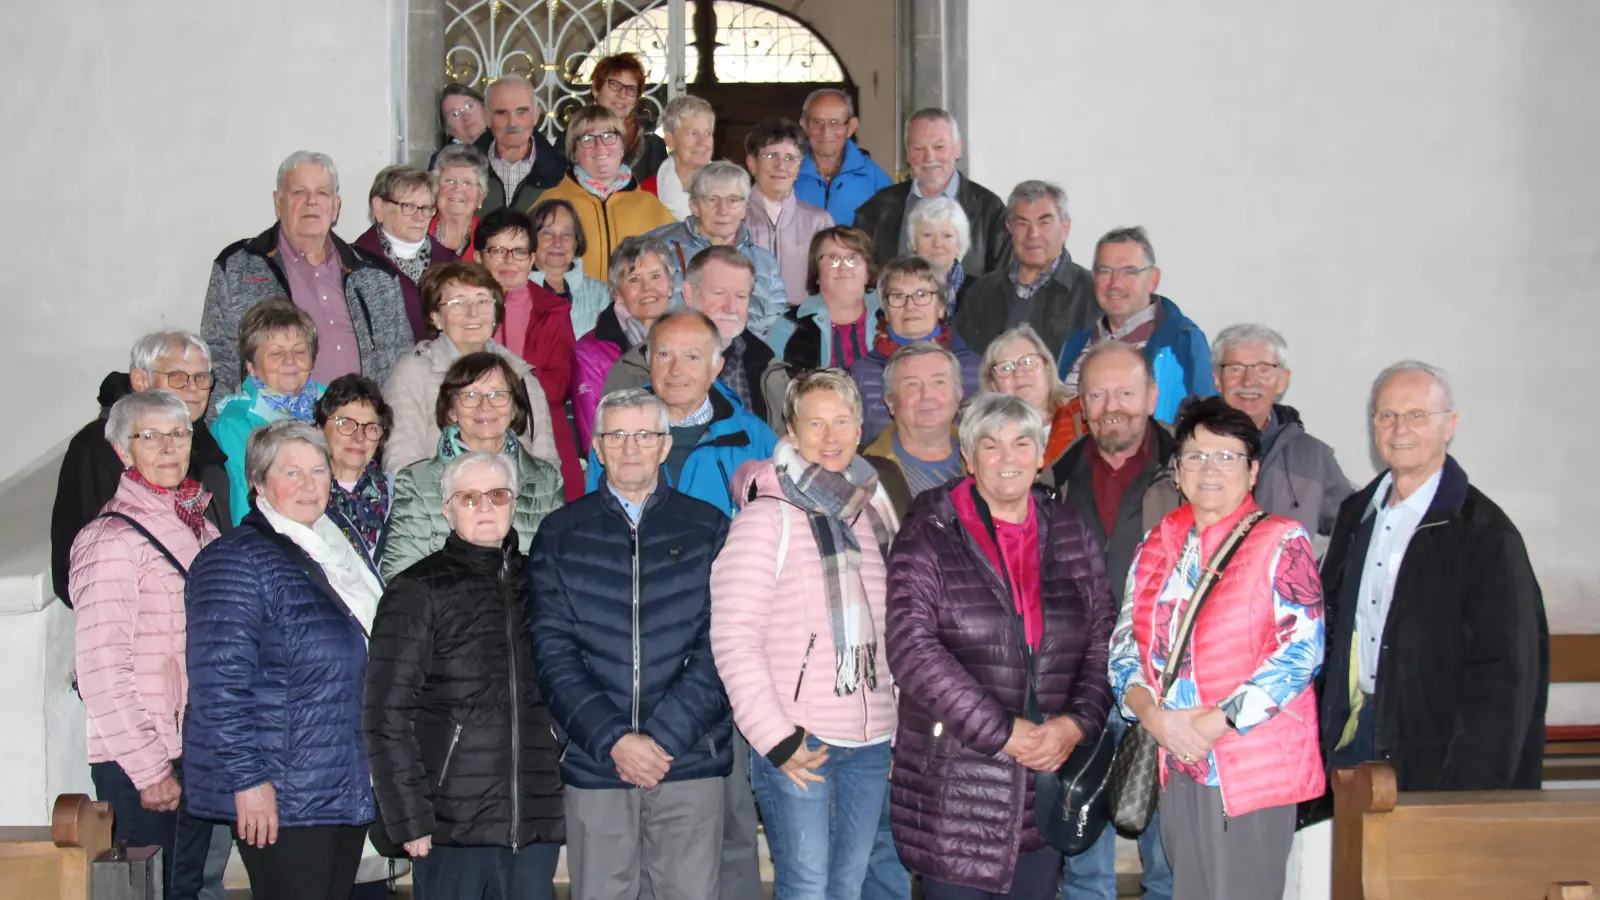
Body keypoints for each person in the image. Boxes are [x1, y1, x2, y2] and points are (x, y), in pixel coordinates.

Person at [887, 392, 1116, 900]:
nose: (1007, 458)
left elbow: (1104, 637)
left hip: (1048, 772)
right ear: (968, 458)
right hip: (957, 782)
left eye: (1021, 444)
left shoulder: (1070, 530)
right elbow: (912, 649)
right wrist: (1001, 732)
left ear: (1041, 455)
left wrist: (1077, 724)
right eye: (990, 446)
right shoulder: (929, 533)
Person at [1110, 396, 1325, 900]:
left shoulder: (1281, 542)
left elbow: (1301, 653)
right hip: (1173, 758)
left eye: (1226, 456)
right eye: (1196, 456)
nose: (1209, 469)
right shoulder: (1156, 545)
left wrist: (1209, 726)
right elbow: (1124, 646)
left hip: (1245, 763)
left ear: (1252, 472)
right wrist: (1155, 718)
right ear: (1178, 472)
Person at [530, 389, 732, 900]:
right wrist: (615, 739)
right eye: (616, 435)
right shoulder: (560, 533)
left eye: (644, 434)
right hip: (597, 759)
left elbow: (725, 643)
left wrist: (663, 739)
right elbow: (553, 651)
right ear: (597, 447)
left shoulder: (708, 527)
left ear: (665, 446)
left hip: (686, 758)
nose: (630, 447)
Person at [710, 370, 899, 900]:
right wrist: (776, 737)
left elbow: (895, 629)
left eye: (842, 421)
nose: (831, 435)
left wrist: (898, 721)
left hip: (871, 739)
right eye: (816, 423)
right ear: (791, 432)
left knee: (848, 886)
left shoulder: (875, 510)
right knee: (807, 888)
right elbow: (733, 637)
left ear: (861, 428)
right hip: (802, 739)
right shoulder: (766, 517)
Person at [1318, 361, 1547, 791]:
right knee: (1358, 861)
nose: (1400, 428)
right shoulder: (1357, 516)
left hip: (1440, 750)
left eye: (1417, 415)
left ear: (1450, 425)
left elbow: (1506, 675)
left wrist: (1470, 784)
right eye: (1387, 415)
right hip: (1358, 736)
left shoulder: (1486, 535)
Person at [185, 419, 382, 900]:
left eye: (318, 471)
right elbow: (218, 687)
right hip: (282, 790)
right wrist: (248, 780)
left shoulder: (337, 546)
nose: (309, 485)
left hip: (337, 775)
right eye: (291, 473)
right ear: (258, 483)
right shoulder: (236, 560)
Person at [364, 451, 565, 899]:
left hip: (532, 818)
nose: (486, 507)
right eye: (469, 498)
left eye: (497, 495)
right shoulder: (417, 590)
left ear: (515, 501)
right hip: (449, 824)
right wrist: (408, 817)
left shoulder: (546, 583)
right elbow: (385, 714)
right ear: (447, 509)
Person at [71, 390, 221, 900]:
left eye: (178, 434)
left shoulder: (198, 522)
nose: (167, 447)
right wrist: (150, 768)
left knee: (186, 886)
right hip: (144, 760)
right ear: (122, 450)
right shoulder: (110, 540)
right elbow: (100, 668)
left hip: (192, 748)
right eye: (149, 436)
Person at [1049, 341, 1179, 900]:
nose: (1112, 406)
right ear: (1081, 404)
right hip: (1081, 688)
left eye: (1126, 392)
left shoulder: (1191, 472)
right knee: (1082, 855)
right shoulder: (1056, 479)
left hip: (1164, 686)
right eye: (1098, 394)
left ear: (1151, 397)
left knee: (1169, 856)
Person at [202, 150, 412, 399]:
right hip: (273, 430)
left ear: (335, 207)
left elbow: (403, 368)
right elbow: (218, 360)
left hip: (361, 430)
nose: (311, 201)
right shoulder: (238, 266)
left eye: (322, 193)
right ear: (278, 202)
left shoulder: (377, 275)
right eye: (299, 192)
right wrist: (230, 430)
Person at [53, 329, 231, 606]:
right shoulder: (97, 447)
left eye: (201, 377)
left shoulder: (205, 445)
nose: (193, 388)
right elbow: (77, 567)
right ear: (140, 380)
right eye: (177, 377)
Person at [380, 261, 565, 488]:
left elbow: (547, 467)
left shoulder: (521, 376)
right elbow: (401, 464)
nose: (473, 313)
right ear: (436, 317)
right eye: (458, 303)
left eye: (482, 301)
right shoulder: (412, 373)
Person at [383, 352, 564, 581]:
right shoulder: (416, 482)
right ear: (451, 410)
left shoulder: (546, 481)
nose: (484, 406)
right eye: (470, 395)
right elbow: (400, 577)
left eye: (497, 395)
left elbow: (558, 572)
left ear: (514, 408)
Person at [585, 310, 778, 518]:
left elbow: (775, 521)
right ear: (649, 362)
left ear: (716, 368)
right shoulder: (618, 430)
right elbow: (595, 518)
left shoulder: (753, 437)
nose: (676, 370)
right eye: (664, 355)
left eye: (692, 357)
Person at [606, 245, 790, 434]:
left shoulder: (771, 370)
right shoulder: (635, 371)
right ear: (688, 293)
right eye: (719, 293)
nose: (731, 308)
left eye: (741, 296)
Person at [476, 210, 584, 496]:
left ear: (533, 258)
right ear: (478, 257)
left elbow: (560, 382)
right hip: (478, 430)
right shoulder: (463, 309)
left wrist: (503, 395)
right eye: (498, 251)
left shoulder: (552, 310)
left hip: (542, 431)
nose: (509, 261)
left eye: (520, 252)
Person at [1057, 226, 1214, 423]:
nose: (1115, 283)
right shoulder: (1075, 343)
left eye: (1129, 272)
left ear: (1153, 279)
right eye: (1105, 271)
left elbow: (1208, 422)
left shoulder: (1183, 342)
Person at [1211, 324, 1352, 538]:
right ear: (1217, 380)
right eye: (1236, 369)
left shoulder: (1314, 457)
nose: (1249, 381)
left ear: (1282, 380)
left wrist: (1310, 568)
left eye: (1263, 370)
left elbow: (1354, 528)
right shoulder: (1185, 446)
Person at [852, 108, 1010, 281]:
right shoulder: (878, 208)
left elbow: (1002, 283)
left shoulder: (989, 209)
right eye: (918, 148)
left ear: (957, 149)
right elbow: (861, 276)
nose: (929, 157)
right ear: (907, 154)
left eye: (939, 147)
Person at [211, 298, 326, 525]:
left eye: (299, 351)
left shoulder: (332, 406)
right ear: (251, 367)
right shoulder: (236, 422)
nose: (290, 361)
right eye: (276, 353)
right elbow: (247, 505)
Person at [850, 256, 981, 448]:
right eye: (897, 296)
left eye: (921, 294)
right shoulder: (862, 374)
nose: (910, 306)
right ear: (886, 312)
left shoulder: (974, 368)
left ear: (941, 307)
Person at [954, 180, 1095, 357]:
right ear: (1008, 227)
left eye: (1044, 223)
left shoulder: (1092, 294)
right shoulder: (980, 294)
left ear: (1065, 227)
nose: (1033, 234)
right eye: (1022, 223)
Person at [650, 161, 788, 339]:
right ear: (694, 206)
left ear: (745, 208)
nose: (723, 210)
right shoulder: (656, 250)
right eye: (712, 199)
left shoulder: (764, 263)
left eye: (733, 200)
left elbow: (777, 329)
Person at [539, 104, 674, 282]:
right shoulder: (550, 204)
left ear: (622, 147)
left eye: (609, 136)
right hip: (571, 308)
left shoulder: (652, 207)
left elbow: (671, 270)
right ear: (574, 152)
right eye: (587, 139)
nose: (599, 145)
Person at [573, 236, 675, 447]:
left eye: (656, 276)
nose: (648, 288)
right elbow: (595, 437)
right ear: (616, 292)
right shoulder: (591, 351)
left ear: (671, 285)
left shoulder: (690, 337)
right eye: (634, 279)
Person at [860, 342, 965, 518]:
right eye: (912, 384)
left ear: (959, 394)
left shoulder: (989, 457)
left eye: (939, 382)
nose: (927, 395)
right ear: (890, 402)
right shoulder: (866, 476)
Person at [354, 165, 459, 339]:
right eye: (408, 206)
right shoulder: (354, 263)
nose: (420, 217)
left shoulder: (451, 263)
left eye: (426, 208)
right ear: (378, 207)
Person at [744, 118, 835, 307]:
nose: (781, 166)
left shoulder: (819, 221)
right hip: (747, 328)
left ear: (799, 167)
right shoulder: (734, 218)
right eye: (771, 156)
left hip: (801, 328)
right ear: (752, 163)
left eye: (790, 158)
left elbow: (832, 282)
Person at [767, 227, 882, 372]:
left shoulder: (890, 315)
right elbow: (772, 384)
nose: (843, 267)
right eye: (833, 258)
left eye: (852, 258)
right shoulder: (789, 325)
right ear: (816, 274)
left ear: (868, 273)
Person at [314, 375, 394, 578]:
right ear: (320, 428)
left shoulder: (400, 495)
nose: (359, 437)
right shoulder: (304, 494)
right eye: (346, 423)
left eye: (371, 428)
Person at [979, 325, 1084, 478]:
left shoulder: (1082, 419)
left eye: (1028, 362)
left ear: (1047, 367)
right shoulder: (983, 438)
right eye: (1005, 368)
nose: (1019, 373)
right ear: (993, 384)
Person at [794, 88, 892, 226]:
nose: (825, 132)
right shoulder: (786, 172)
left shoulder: (876, 180)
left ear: (851, 127)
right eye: (817, 122)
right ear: (804, 125)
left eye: (835, 123)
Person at [473, 75, 566, 214]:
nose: (512, 123)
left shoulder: (561, 173)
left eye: (521, 112)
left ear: (536, 115)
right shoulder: (465, 169)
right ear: (487, 117)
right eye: (501, 113)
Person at [528, 198, 610, 338]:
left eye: (567, 234)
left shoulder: (603, 295)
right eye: (547, 233)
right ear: (530, 239)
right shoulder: (513, 293)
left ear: (576, 242)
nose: (558, 243)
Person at [591, 52, 669, 179]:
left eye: (631, 89)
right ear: (596, 89)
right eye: (614, 85)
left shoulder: (651, 146)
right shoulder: (573, 138)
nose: (623, 95)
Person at [643, 94, 715, 220]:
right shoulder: (648, 192)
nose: (702, 142)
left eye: (707, 133)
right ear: (670, 139)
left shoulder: (730, 187)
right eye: (692, 133)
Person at [909, 196, 978, 318]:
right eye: (927, 235)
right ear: (914, 243)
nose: (938, 244)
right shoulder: (899, 287)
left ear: (959, 242)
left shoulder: (981, 290)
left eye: (947, 236)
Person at [429, 143, 490, 261]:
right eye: (450, 181)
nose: (457, 188)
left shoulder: (489, 240)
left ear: (481, 197)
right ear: (436, 189)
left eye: (467, 183)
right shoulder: (418, 229)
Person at [436, 83, 487, 152]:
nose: (466, 117)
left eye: (469, 107)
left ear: (483, 106)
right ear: (447, 129)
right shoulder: (445, 160)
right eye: (455, 114)